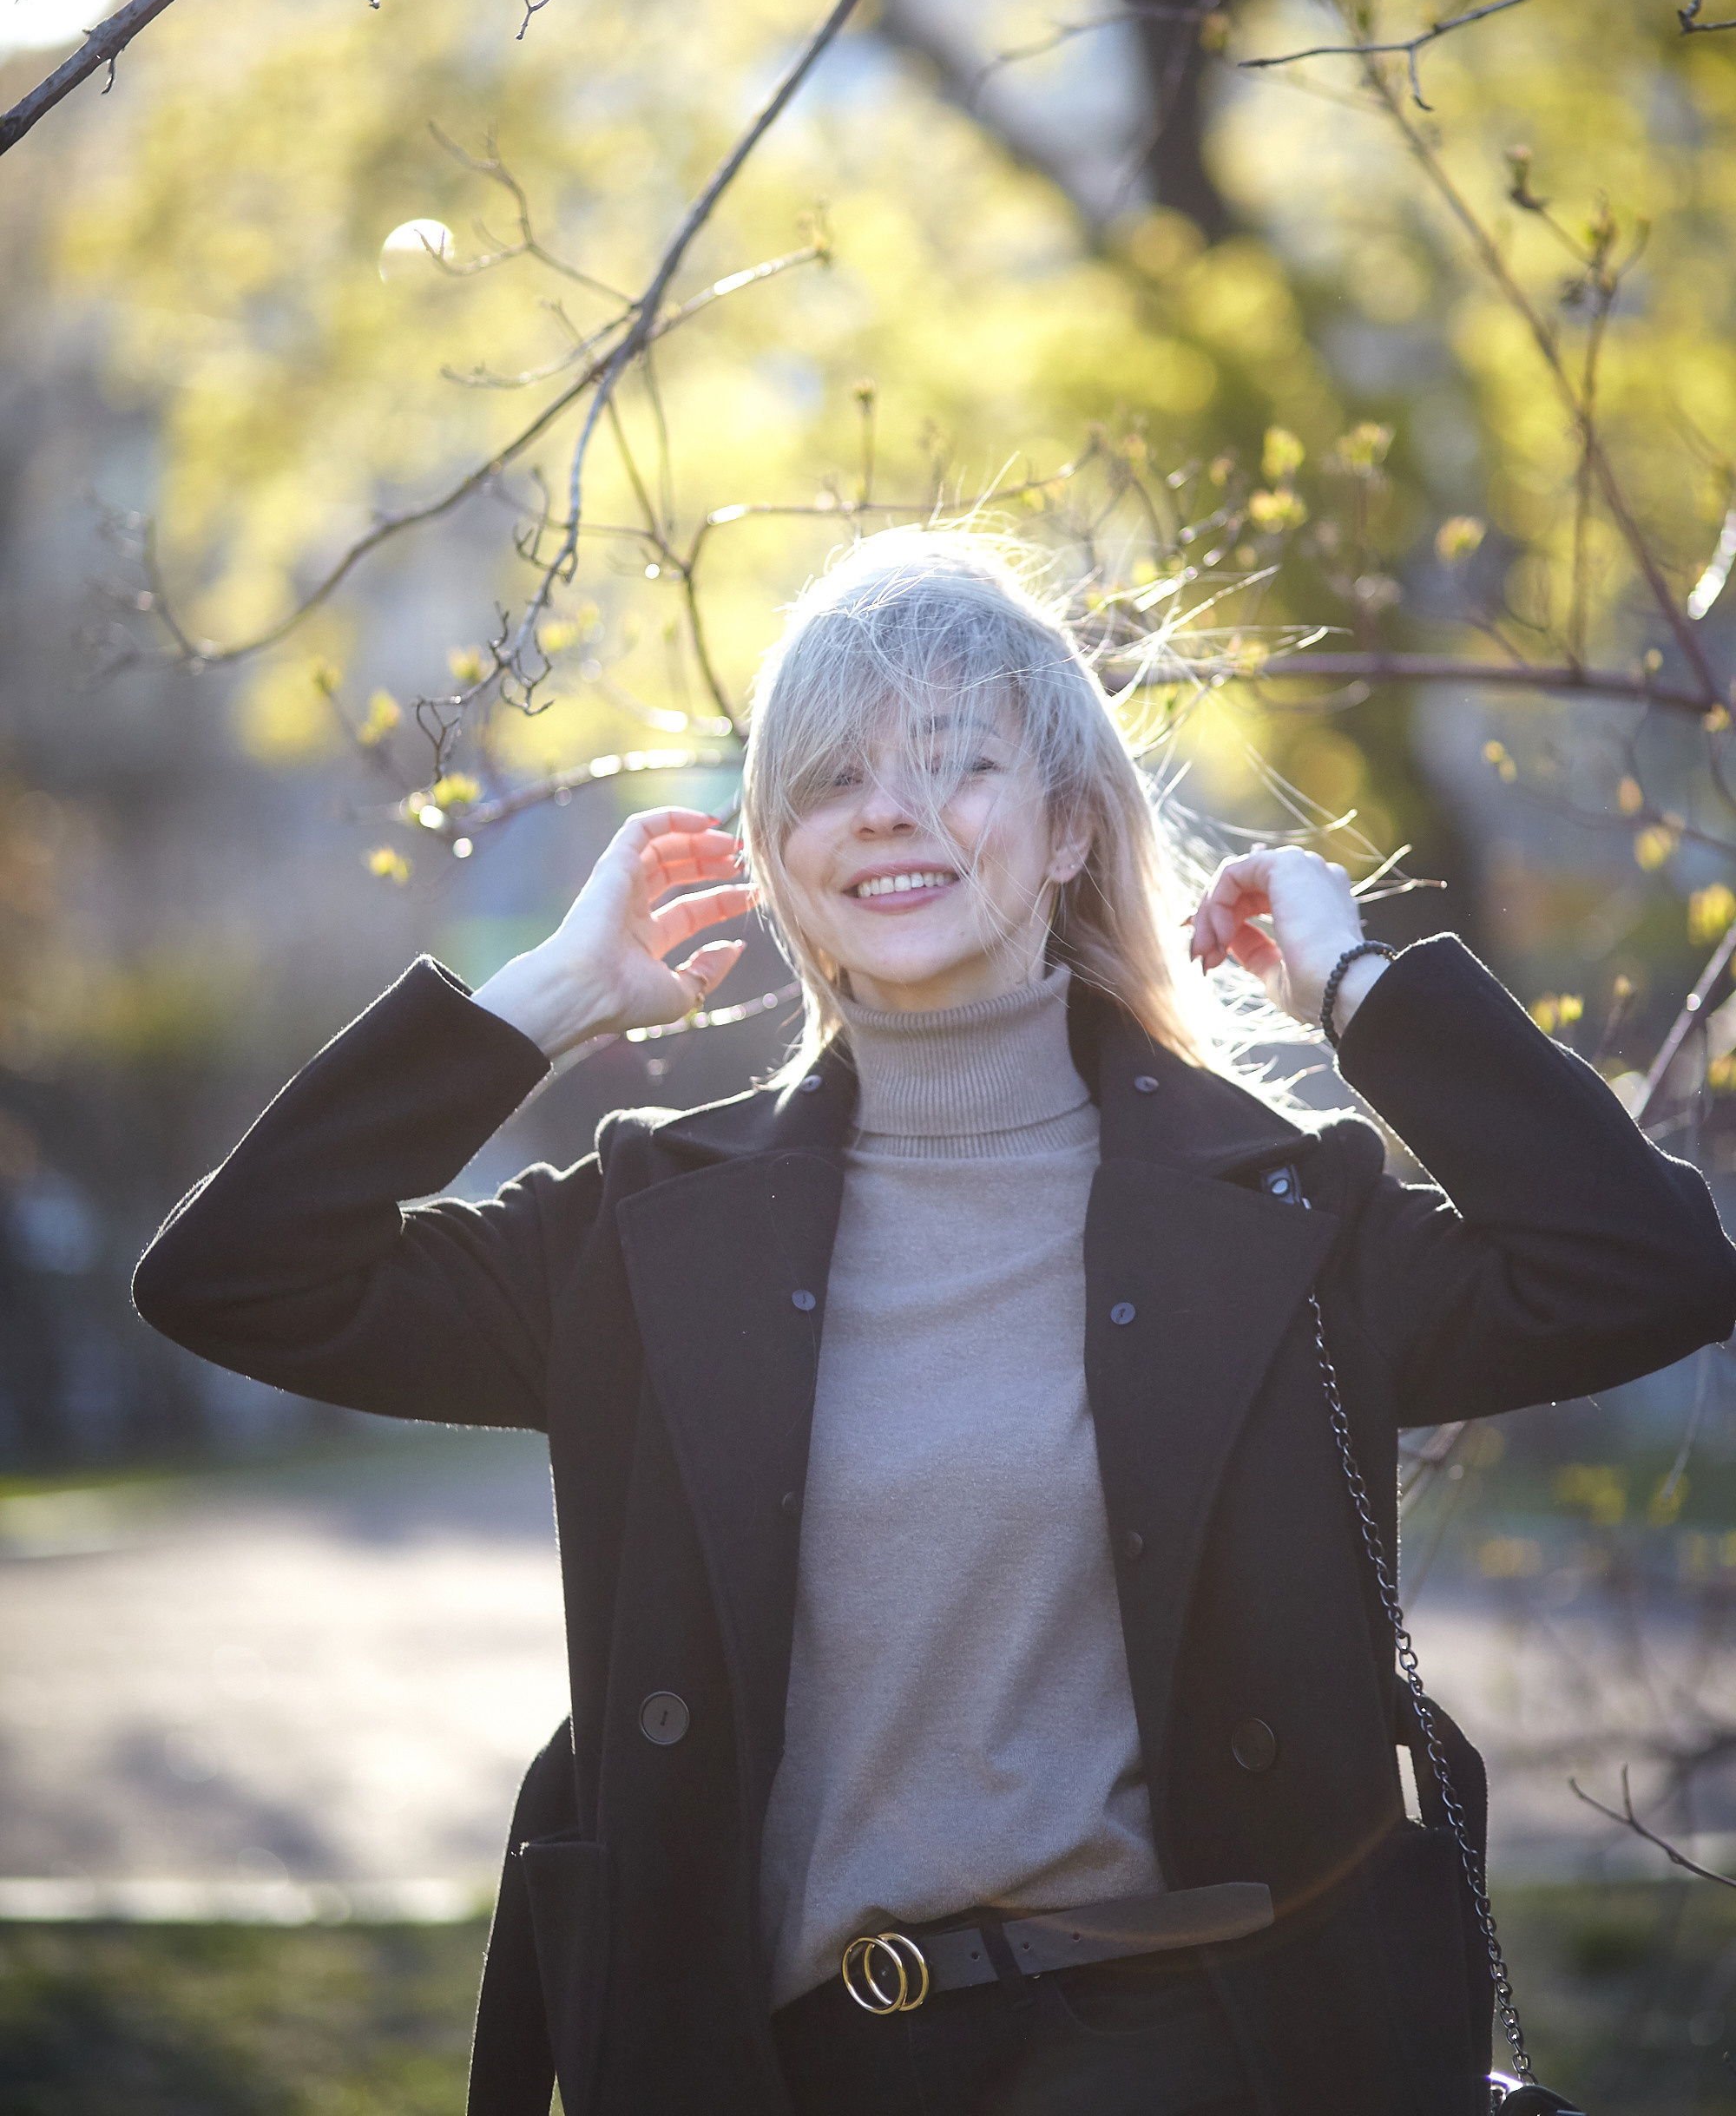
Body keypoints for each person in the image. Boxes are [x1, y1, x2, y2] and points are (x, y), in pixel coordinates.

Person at [134, 529, 1735, 2116]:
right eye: (833, 779)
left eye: (958, 761)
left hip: (1189, 2043)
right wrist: (546, 1001)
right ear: (779, 860)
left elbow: (1648, 1267)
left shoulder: (1270, 1220)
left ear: (1067, 829)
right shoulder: (643, 1236)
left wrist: (1363, 990)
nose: (889, 810)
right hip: (779, 2066)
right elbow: (237, 1274)